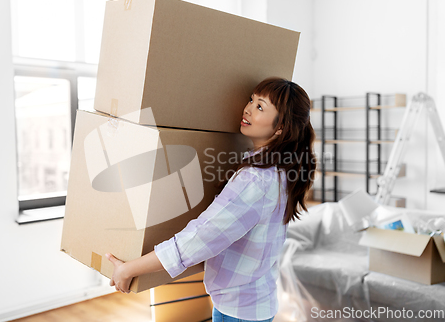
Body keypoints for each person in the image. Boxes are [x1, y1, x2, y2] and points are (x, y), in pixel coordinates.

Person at [105, 77, 316, 322]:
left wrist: (129, 267)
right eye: (251, 100)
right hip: (256, 303)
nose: (247, 108)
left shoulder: (256, 181)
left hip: (239, 311)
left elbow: (200, 237)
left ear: (281, 128)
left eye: (260, 107)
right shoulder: (280, 171)